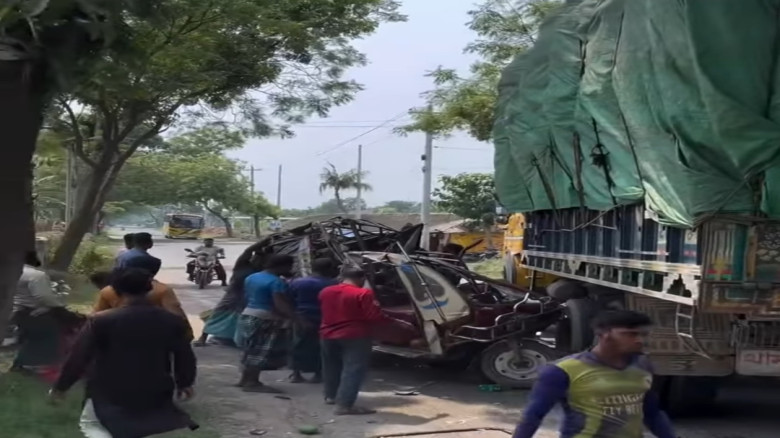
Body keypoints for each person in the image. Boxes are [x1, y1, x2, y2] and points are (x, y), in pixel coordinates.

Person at [50, 268, 199, 438]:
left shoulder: (101, 320)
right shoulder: (171, 321)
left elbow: (79, 356)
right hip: (154, 386)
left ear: (114, 290)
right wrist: (185, 382)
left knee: (94, 425)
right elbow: (184, 355)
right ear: (149, 288)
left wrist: (62, 386)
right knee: (138, 428)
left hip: (107, 388)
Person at [512, 310, 675, 438]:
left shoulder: (643, 365)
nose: (640, 340)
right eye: (630, 334)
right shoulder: (562, 371)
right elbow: (532, 416)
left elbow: (653, 413)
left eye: (643, 335)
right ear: (604, 335)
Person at [319, 267, 386, 415]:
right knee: (353, 369)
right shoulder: (363, 293)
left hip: (327, 334)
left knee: (331, 366)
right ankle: (344, 405)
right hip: (355, 335)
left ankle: (331, 396)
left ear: (342, 277)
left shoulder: (326, 291)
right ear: (362, 279)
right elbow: (373, 316)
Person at [11, 251, 83, 377]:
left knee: (32, 333)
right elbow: (44, 296)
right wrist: (59, 307)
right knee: (50, 331)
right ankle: (33, 364)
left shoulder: (11, 272)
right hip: (30, 311)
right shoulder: (36, 275)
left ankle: (24, 362)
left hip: (14, 311)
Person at [235, 254, 299, 393]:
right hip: (265, 317)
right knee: (259, 351)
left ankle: (244, 379)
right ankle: (252, 382)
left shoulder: (252, 277)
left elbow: (245, 296)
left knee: (249, 349)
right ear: (282, 266)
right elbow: (279, 303)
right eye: (289, 266)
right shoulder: (276, 282)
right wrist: (294, 317)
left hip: (248, 314)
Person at [92, 264, 193, 341]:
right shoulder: (162, 290)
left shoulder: (108, 292)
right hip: (156, 342)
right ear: (149, 286)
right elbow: (177, 316)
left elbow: (93, 320)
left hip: (116, 341)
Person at [193, 249, 260, 347]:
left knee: (240, 317)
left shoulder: (260, 270)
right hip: (232, 295)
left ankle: (235, 339)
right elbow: (247, 252)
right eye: (256, 257)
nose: (258, 260)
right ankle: (203, 338)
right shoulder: (242, 265)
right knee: (216, 314)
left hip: (247, 295)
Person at [287, 258, 338, 383]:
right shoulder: (333, 284)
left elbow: (289, 300)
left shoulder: (297, 282)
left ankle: (296, 374)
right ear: (328, 269)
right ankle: (318, 374)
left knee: (298, 345)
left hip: (301, 318)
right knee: (321, 348)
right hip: (324, 318)